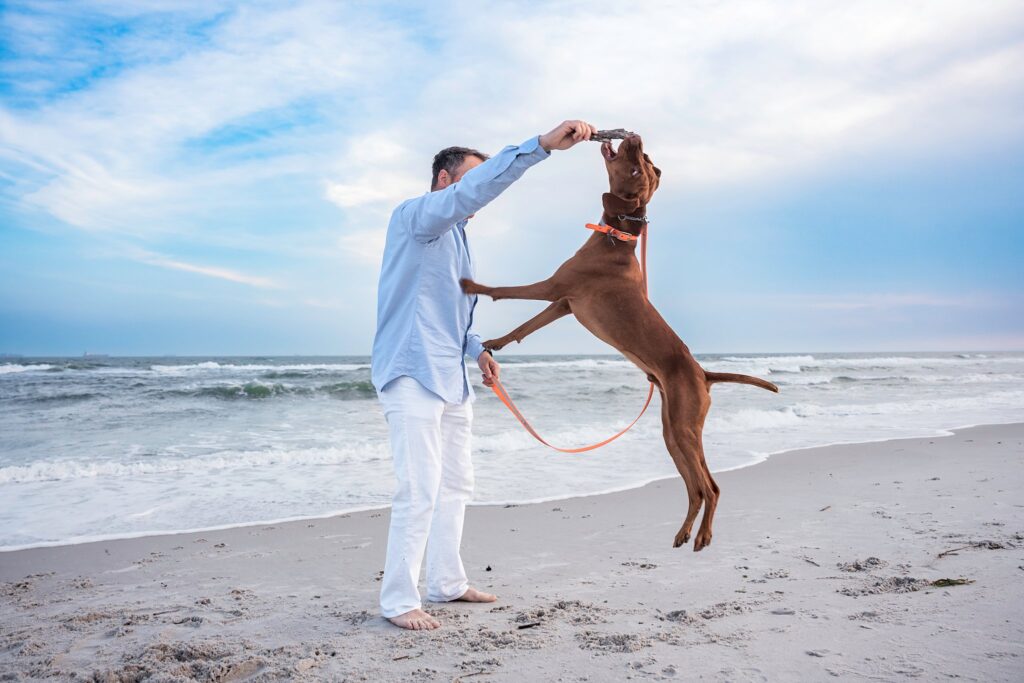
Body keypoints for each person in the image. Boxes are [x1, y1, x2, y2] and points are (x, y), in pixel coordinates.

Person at [370, 119, 597, 630]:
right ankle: (398, 600)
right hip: (411, 372)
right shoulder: (415, 217)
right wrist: (539, 147)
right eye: (473, 182)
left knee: (456, 484)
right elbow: (479, 187)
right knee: (420, 488)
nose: (480, 194)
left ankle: (446, 583)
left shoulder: (458, 238)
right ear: (447, 182)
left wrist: (476, 349)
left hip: (452, 374)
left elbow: (450, 311)